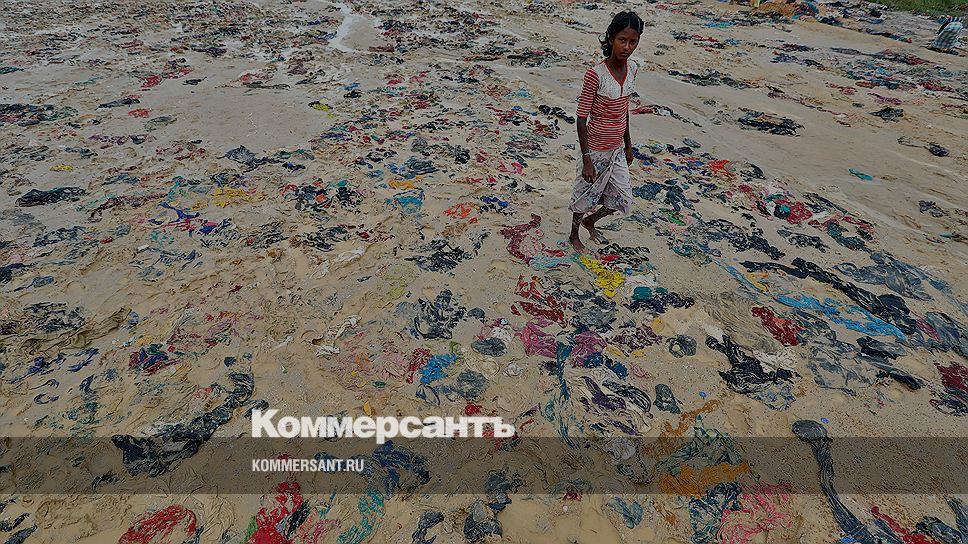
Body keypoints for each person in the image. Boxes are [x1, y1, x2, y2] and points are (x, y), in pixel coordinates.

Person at [569, 11, 644, 253]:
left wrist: (628, 145)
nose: (627, 47)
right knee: (584, 194)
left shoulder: (632, 69)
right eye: (622, 40)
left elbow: (624, 110)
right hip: (594, 148)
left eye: (633, 41)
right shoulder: (596, 74)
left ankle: (591, 221)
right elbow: (582, 118)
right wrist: (587, 159)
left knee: (622, 198)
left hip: (616, 149)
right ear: (611, 39)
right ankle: (573, 234)